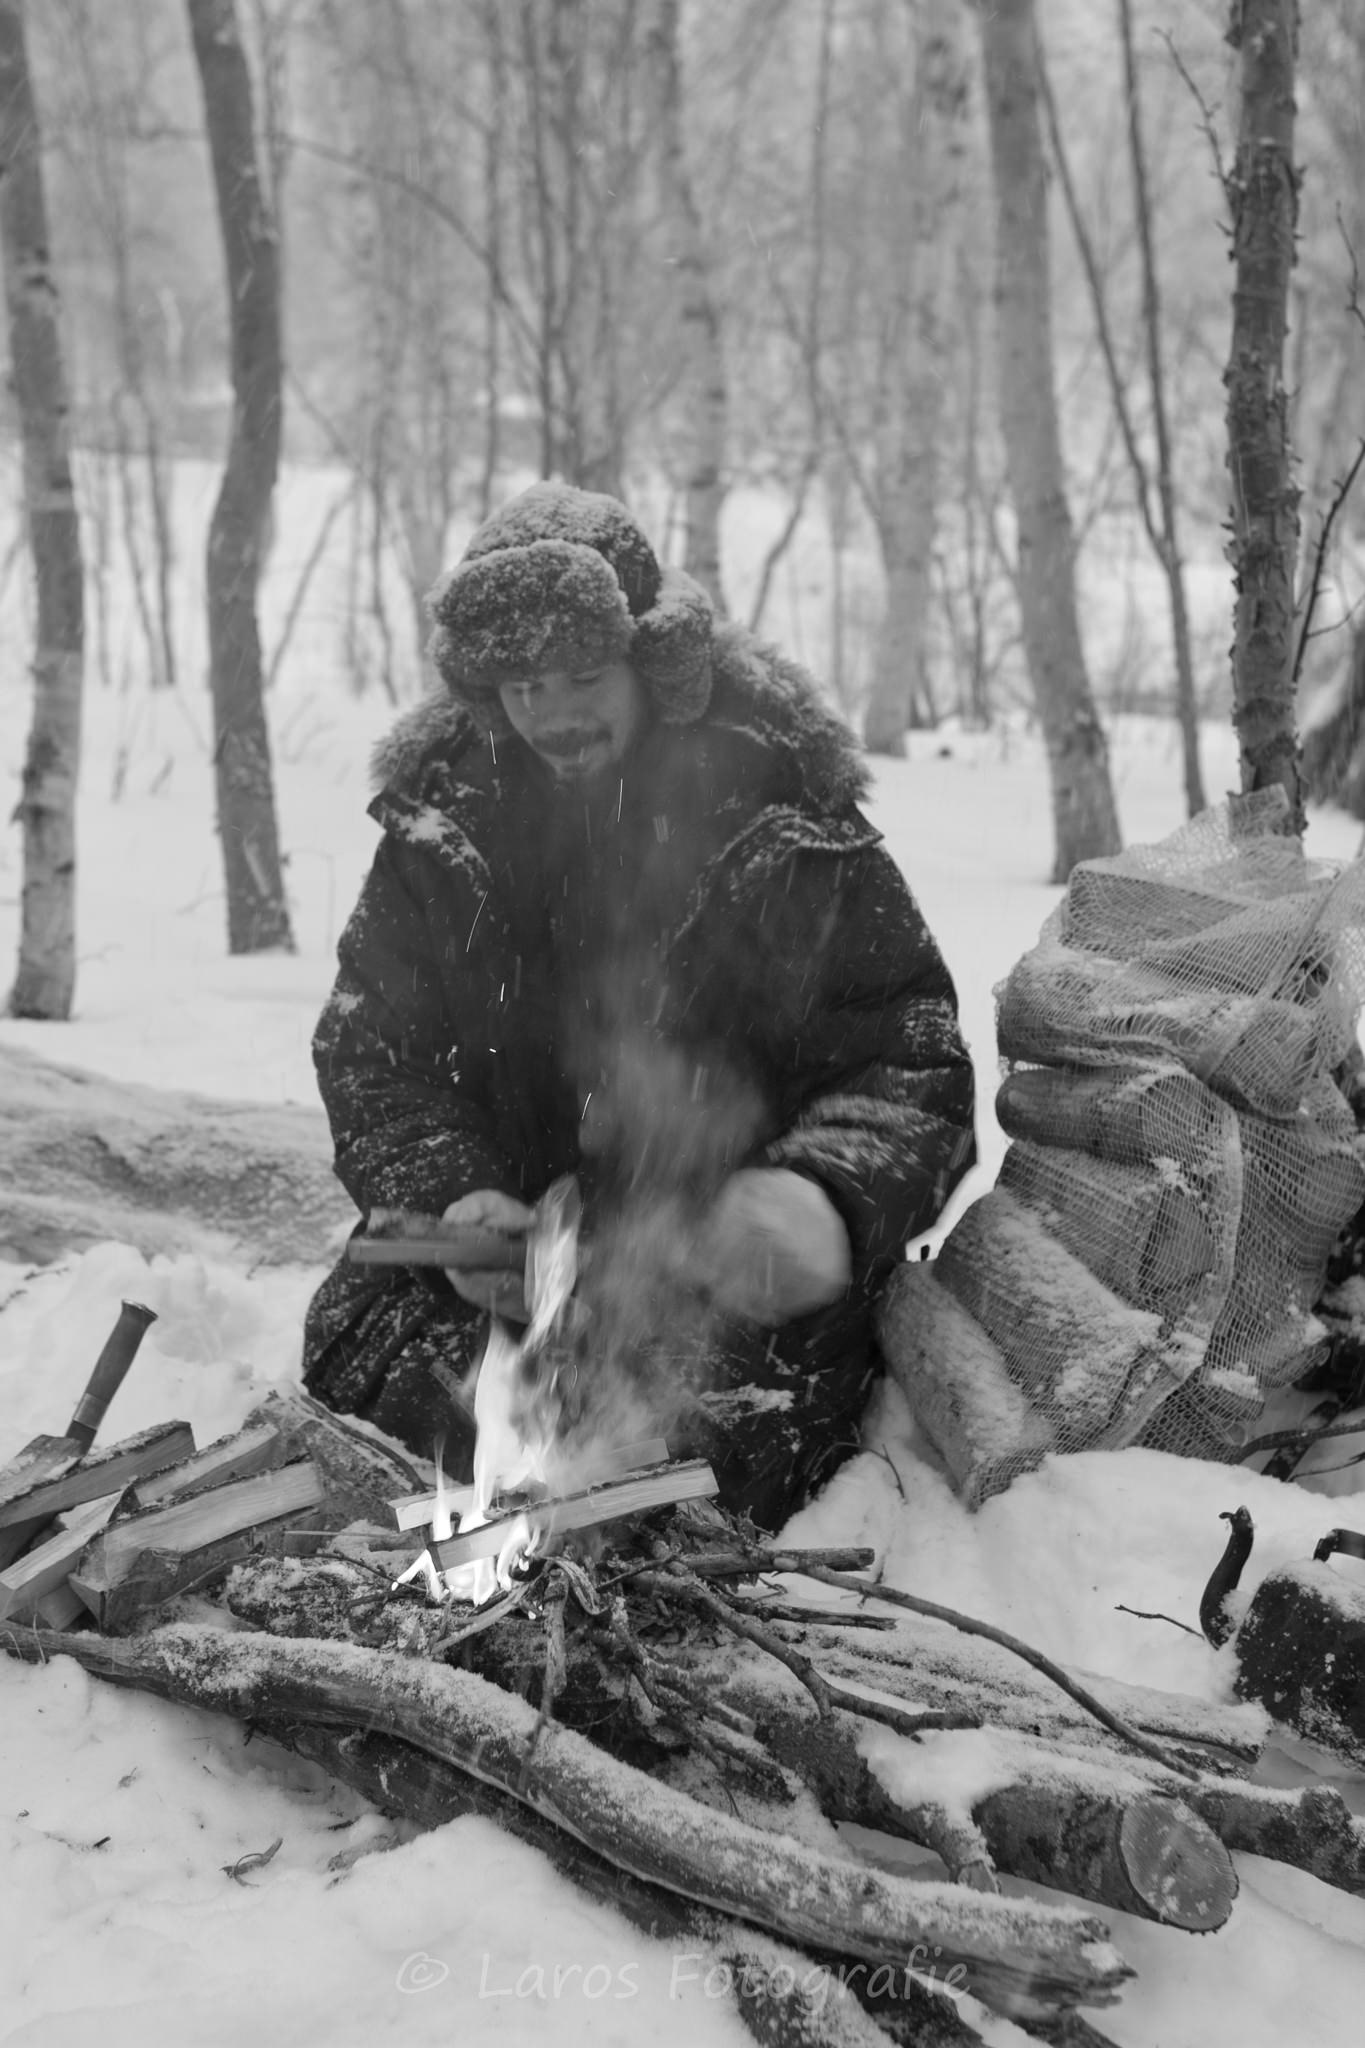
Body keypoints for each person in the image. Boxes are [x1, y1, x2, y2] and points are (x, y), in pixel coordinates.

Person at [303, 482, 975, 1528]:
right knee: (382, 1375)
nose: (555, 714)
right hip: (511, 1269)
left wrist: (819, 1198)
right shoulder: (446, 831)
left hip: (721, 1283)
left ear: (656, 660)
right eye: (522, 685)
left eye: (583, 674)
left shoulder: (785, 818)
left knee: (681, 1447)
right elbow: (374, 1056)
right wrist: (457, 1201)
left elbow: (910, 1054)